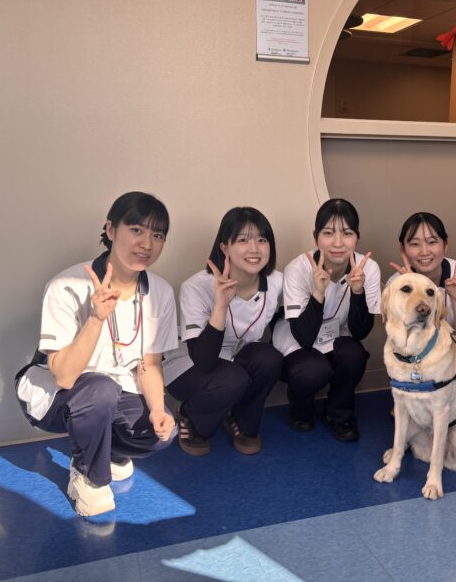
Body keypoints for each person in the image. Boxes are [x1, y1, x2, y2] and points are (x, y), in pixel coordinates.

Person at [15, 191, 178, 517]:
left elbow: (150, 363)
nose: (147, 243)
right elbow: (63, 375)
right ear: (111, 229)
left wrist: (159, 409)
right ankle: (90, 476)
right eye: (137, 229)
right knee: (98, 389)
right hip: (56, 392)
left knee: (161, 433)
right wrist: (95, 318)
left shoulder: (159, 291)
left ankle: (108, 450)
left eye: (157, 235)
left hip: (117, 391)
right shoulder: (67, 285)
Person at [163, 207, 283, 456]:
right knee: (232, 378)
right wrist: (220, 305)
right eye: (243, 240)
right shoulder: (196, 287)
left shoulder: (277, 282)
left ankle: (242, 422)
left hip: (235, 360)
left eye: (262, 239)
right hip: (190, 364)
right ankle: (192, 420)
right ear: (224, 248)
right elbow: (204, 361)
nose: (254, 248)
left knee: (269, 357)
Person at [273, 198, 381, 442]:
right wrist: (318, 293)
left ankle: (338, 414)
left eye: (347, 233)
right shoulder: (298, 268)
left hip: (336, 335)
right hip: (297, 337)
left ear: (357, 237)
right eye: (328, 233)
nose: (338, 243)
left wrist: (357, 292)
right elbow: (304, 335)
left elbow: (361, 331)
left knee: (354, 354)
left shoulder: (368, 268)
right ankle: (301, 407)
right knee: (312, 369)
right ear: (316, 236)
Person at [388, 212, 456, 434]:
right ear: (403, 250)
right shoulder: (397, 283)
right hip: (421, 350)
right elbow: (401, 346)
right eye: (414, 244)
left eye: (432, 242)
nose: (424, 252)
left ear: (445, 244)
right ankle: (416, 408)